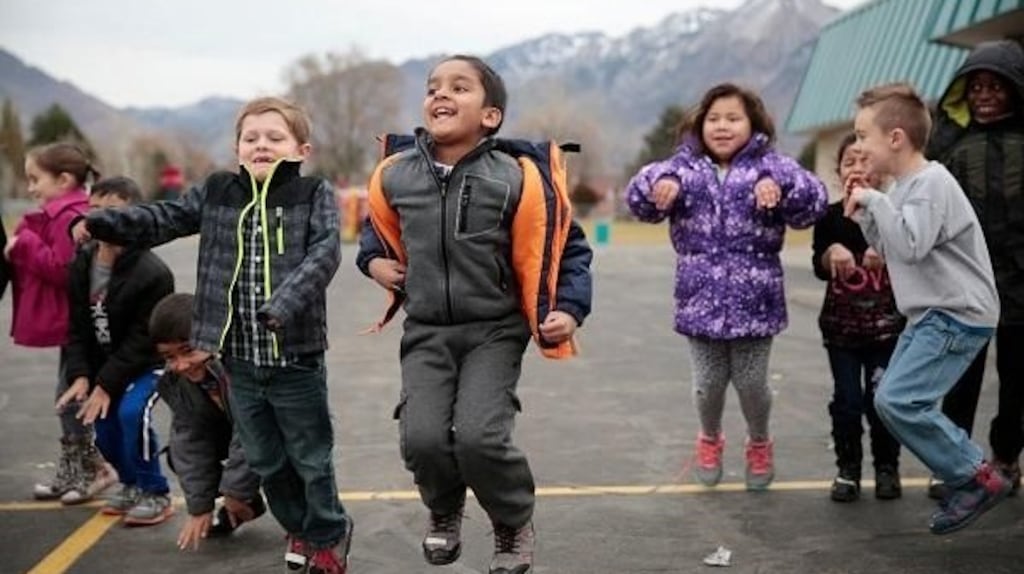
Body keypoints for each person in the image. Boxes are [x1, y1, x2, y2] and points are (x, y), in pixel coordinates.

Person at [72, 96, 352, 573]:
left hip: (296, 358)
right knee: (266, 460)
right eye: (251, 137)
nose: (261, 144)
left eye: (274, 137)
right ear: (238, 148)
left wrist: (281, 306)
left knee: (309, 455)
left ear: (301, 149)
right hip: (239, 360)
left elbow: (325, 253)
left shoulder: (313, 194)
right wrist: (103, 222)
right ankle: (299, 527)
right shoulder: (219, 191)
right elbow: (164, 218)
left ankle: (328, 532)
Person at [356, 55, 593, 574]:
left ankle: (512, 521)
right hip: (428, 331)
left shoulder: (517, 178)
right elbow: (376, 232)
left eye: (459, 87)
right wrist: (373, 261)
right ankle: (444, 511)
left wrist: (570, 310)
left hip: (494, 330)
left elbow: (566, 250)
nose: (441, 94)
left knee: (480, 436)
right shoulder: (396, 176)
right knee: (421, 438)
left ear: (491, 115)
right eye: (433, 86)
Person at [626, 82, 827, 491]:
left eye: (733, 118)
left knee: (752, 383)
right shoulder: (681, 169)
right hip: (699, 300)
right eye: (713, 119)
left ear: (752, 124)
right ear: (700, 126)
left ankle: (758, 441)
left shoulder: (772, 166)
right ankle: (710, 438)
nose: (722, 126)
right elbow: (639, 199)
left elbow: (814, 202)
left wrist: (781, 187)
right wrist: (660, 185)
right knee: (708, 385)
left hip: (756, 300)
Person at [846, 82, 1010, 534]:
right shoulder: (904, 188)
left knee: (901, 400)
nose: (858, 146)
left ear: (895, 138)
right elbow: (892, 248)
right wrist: (867, 216)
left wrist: (876, 200)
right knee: (890, 401)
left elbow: (913, 245)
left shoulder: (932, 183)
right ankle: (970, 477)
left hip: (957, 313)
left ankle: (976, 478)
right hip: (930, 314)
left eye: (863, 135)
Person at [924, 40, 1024, 500]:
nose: (984, 94)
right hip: (967, 282)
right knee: (960, 377)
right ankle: (955, 465)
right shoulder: (950, 147)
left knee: (1017, 379)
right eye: (976, 86)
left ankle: (1006, 458)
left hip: (1021, 283)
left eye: (995, 86)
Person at [58, 176, 175, 524]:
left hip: (147, 365)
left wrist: (106, 383)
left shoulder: (153, 273)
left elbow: (143, 340)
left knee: (130, 414)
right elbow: (76, 327)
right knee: (104, 431)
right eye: (93, 211)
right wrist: (80, 376)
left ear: (135, 217)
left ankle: (155, 492)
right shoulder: (81, 263)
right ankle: (129, 483)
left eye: (112, 212)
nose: (100, 220)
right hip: (106, 368)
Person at [4, 142, 115, 504]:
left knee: (71, 398)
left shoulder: (72, 217)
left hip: (79, 323)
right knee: (66, 397)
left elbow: (63, 270)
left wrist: (23, 244)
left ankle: (95, 468)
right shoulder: (60, 213)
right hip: (73, 323)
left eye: (36, 179)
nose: (31, 187)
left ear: (64, 179)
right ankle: (76, 469)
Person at [811, 134, 905, 502]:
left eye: (866, 161)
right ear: (839, 173)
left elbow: (916, 257)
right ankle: (848, 469)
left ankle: (887, 467)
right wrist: (830, 251)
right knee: (847, 401)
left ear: (883, 170)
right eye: (850, 162)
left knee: (882, 401)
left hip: (887, 332)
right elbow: (820, 266)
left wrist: (887, 252)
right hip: (842, 333)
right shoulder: (830, 217)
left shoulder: (895, 214)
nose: (858, 169)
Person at [148, 292, 266, 550]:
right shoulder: (177, 382)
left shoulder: (239, 368)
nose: (180, 365)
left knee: (285, 467)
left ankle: (310, 526)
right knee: (178, 455)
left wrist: (235, 492)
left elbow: (252, 432)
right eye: (169, 357)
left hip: (275, 435)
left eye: (188, 351)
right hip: (237, 438)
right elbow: (189, 444)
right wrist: (200, 507)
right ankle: (243, 505)